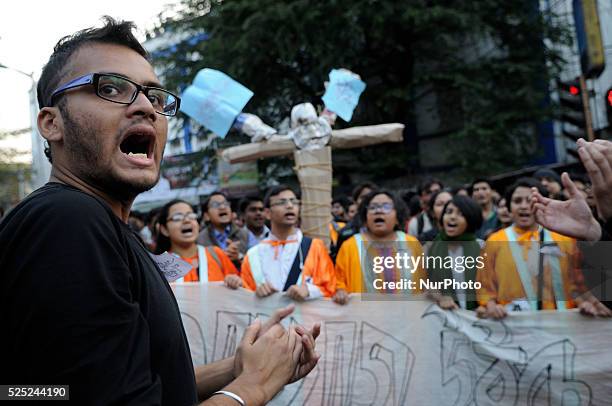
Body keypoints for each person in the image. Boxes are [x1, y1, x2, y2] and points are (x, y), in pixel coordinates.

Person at [0, 17, 319, 405]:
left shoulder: (106, 229)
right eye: (112, 88)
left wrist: (236, 368)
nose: (145, 108)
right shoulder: (67, 222)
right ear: (52, 123)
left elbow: (123, 386)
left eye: (155, 96)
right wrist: (254, 386)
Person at [476, 178, 608, 319]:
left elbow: (579, 283)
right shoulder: (494, 241)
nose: (524, 206)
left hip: (564, 326)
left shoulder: (565, 238)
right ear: (509, 207)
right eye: (517, 201)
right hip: (516, 328)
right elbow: (485, 285)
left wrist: (585, 302)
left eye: (530, 200)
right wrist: (490, 306)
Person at [237, 185, 337, 301]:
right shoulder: (253, 255)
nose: (289, 206)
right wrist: (257, 293)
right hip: (268, 318)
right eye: (281, 202)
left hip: (307, 318)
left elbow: (330, 287)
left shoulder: (314, 247)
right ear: (267, 213)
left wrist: (309, 290)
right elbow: (244, 297)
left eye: (294, 202)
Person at [333, 190, 427, 304]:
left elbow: (426, 282)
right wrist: (340, 291)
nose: (378, 211)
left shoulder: (412, 244)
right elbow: (338, 281)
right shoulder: (349, 246)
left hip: (408, 317)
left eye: (386, 207)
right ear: (365, 217)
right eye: (372, 207)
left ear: (398, 217)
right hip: (363, 318)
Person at [155, 199, 241, 285]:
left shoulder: (216, 254)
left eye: (191, 216)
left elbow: (243, 289)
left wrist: (235, 281)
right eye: (178, 218)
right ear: (164, 229)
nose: (187, 220)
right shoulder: (159, 267)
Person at [426, 195, 483, 310]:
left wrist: (485, 304)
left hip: (478, 316)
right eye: (449, 212)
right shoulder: (432, 248)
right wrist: (441, 298)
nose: (452, 217)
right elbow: (428, 283)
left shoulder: (482, 248)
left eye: (460, 214)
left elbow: (491, 286)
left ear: (471, 219)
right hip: (446, 316)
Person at [197, 191, 250, 268]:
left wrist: (239, 256)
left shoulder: (245, 234)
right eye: (215, 205)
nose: (222, 207)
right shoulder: (199, 240)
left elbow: (257, 263)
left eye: (225, 204)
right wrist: (221, 257)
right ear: (206, 216)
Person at [331, 181, 378, 262]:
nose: (367, 200)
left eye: (371, 197)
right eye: (363, 197)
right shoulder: (345, 233)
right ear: (355, 202)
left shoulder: (390, 228)